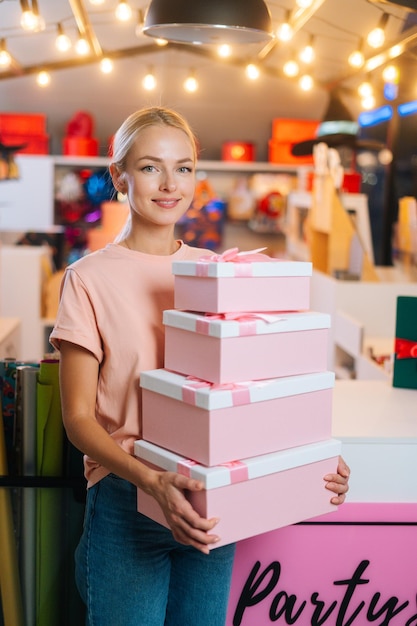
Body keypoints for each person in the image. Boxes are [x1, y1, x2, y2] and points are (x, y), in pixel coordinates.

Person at [50, 106, 350, 626]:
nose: (170, 184)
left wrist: (308, 461)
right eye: (149, 167)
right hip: (127, 500)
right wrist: (152, 481)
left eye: (183, 167)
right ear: (119, 176)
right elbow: (78, 418)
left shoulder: (217, 272)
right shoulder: (87, 279)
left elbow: (249, 390)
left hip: (213, 501)